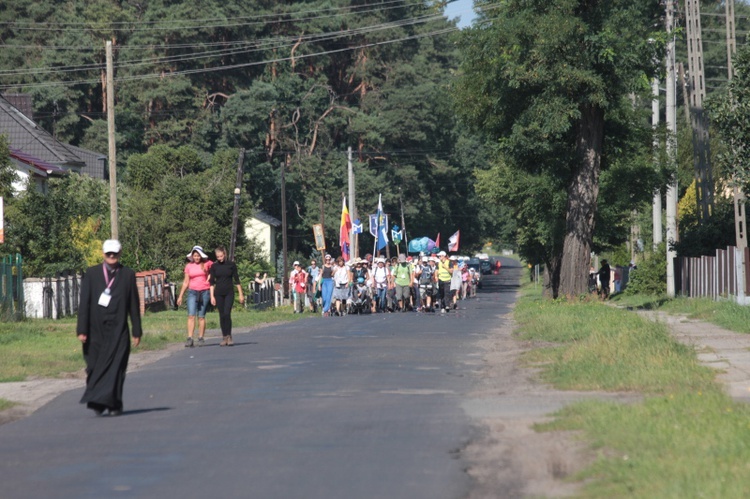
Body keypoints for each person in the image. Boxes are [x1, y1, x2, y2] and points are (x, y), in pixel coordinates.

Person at [76, 239, 142, 417]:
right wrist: (81, 329)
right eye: (108, 254)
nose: (111, 256)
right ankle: (97, 402)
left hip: (119, 329)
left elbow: (133, 304)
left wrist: (137, 330)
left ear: (119, 254)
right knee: (94, 366)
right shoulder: (92, 273)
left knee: (117, 368)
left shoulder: (127, 274)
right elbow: (84, 303)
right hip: (95, 329)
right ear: (103, 254)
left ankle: (114, 404)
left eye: (115, 253)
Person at [176, 245, 213, 347]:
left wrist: (209, 278)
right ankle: (190, 338)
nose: (196, 257)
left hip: (204, 292)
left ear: (201, 256)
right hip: (192, 292)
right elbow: (186, 282)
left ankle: (201, 338)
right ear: (192, 256)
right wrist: (180, 296)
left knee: (201, 316)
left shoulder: (207, 264)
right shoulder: (189, 266)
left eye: (198, 255)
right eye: (195, 256)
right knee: (191, 315)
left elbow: (215, 270)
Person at [209, 246, 245, 346]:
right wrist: (212, 296)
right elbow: (211, 282)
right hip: (218, 293)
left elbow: (237, 280)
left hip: (229, 292)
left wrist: (241, 294)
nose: (219, 258)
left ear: (224, 254)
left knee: (227, 313)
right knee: (221, 315)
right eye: (218, 257)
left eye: (221, 256)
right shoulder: (214, 266)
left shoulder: (231, 265)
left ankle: (229, 336)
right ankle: (224, 336)